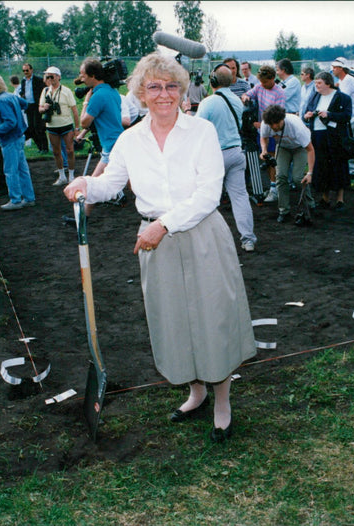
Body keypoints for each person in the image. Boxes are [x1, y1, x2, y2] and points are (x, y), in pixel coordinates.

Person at [63, 53, 256, 443]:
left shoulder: (201, 131)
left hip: (200, 233)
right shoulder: (130, 140)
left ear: (182, 91)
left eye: (171, 86)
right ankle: (195, 391)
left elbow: (208, 194)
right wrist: (87, 186)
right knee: (174, 318)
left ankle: (222, 399)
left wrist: (163, 225)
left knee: (212, 315)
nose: (163, 94)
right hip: (155, 241)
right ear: (140, 93)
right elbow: (111, 183)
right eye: (154, 86)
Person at [195, 64, 258, 251]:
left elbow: (196, 128)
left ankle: (204, 241)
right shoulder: (237, 101)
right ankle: (248, 239)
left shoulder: (208, 102)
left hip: (215, 155)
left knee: (205, 197)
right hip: (237, 152)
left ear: (212, 81)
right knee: (240, 197)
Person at [0, 73, 35, 211]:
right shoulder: (11, 96)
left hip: (10, 139)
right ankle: (29, 198)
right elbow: (24, 104)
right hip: (19, 137)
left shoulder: (1, 101)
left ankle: (15, 199)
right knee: (22, 169)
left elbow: (10, 122)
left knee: (10, 170)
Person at [304, 71, 352, 210]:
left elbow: (347, 116)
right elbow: (306, 113)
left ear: (328, 83)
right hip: (318, 135)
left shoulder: (343, 98)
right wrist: (307, 116)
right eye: (315, 83)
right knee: (322, 165)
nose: (317, 86)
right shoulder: (314, 97)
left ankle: (340, 199)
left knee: (338, 166)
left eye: (319, 83)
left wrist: (329, 115)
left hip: (335, 137)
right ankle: (325, 198)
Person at [261, 104, 315, 223]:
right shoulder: (266, 123)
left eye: (277, 123)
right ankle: (283, 210)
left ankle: (309, 202)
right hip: (283, 147)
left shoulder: (296, 126)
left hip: (299, 147)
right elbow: (264, 137)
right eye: (271, 124)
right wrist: (264, 150)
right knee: (281, 176)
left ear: (282, 119)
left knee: (297, 178)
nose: (274, 126)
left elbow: (310, 149)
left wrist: (310, 173)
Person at [242, 65, 286, 203]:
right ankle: (272, 186)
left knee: (273, 159)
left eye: (265, 82)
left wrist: (263, 124)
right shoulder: (259, 87)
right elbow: (248, 94)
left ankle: (275, 189)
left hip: (274, 130)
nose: (263, 85)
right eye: (261, 82)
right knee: (266, 158)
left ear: (272, 78)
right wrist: (245, 97)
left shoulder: (279, 93)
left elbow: (279, 116)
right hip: (261, 131)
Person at [76, 58, 123, 178]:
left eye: (83, 75)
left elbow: (84, 123)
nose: (82, 79)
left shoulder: (98, 96)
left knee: (93, 184)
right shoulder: (113, 92)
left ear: (92, 76)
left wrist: (86, 101)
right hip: (117, 142)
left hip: (111, 145)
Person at [40, 66, 80, 186]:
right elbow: (40, 108)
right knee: (56, 152)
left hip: (66, 124)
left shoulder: (66, 91)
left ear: (58, 77)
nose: (49, 79)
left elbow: (74, 110)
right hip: (52, 125)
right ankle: (62, 176)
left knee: (70, 150)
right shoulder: (45, 91)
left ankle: (71, 176)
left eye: (51, 76)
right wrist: (44, 108)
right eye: (47, 76)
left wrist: (77, 128)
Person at [331, 57, 354, 181]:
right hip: (350, 118)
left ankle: (353, 170)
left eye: (335, 67)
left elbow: (342, 98)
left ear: (341, 68)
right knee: (347, 142)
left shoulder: (348, 80)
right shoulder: (342, 81)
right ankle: (348, 168)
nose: (333, 70)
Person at [18, 64, 48, 153]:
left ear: (31, 70)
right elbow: (23, 91)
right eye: (23, 71)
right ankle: (40, 147)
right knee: (31, 128)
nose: (25, 72)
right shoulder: (23, 81)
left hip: (37, 105)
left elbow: (44, 90)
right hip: (29, 106)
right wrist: (22, 94)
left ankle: (45, 148)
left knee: (39, 127)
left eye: (27, 70)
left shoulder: (38, 80)